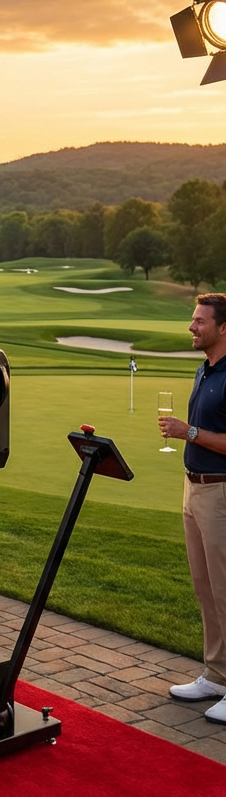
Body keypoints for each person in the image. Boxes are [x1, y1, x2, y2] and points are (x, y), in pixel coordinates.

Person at [161, 293, 226, 724]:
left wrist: (190, 432)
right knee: (205, 590)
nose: (192, 326)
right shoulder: (205, 371)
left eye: (200, 321)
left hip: (221, 493)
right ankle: (217, 675)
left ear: (224, 328)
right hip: (194, 490)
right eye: (193, 319)